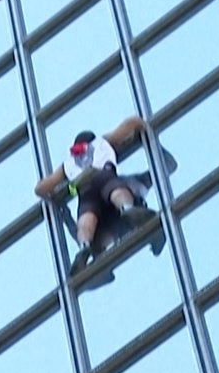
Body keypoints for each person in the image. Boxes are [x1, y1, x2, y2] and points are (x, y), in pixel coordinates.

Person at [34, 116, 157, 275]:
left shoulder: (68, 163)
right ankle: (127, 208)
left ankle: (84, 245)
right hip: (103, 175)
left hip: (84, 190)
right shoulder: (101, 142)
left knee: (86, 218)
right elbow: (129, 124)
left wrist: (65, 191)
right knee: (116, 191)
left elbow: (40, 189)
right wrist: (139, 126)